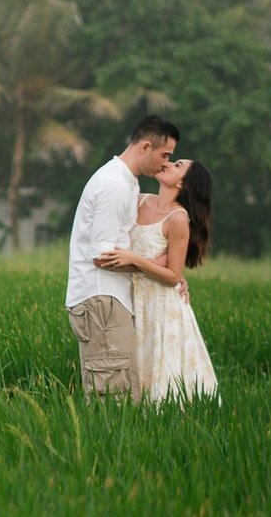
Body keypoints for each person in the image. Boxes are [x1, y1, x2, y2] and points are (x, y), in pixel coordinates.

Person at [64, 114, 178, 398]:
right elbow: (103, 257)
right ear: (145, 147)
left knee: (124, 392)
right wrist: (157, 267)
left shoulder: (128, 182)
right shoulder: (114, 184)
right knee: (114, 398)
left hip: (110, 298)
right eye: (165, 155)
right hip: (101, 299)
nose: (166, 163)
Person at [95, 158, 219, 404]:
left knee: (160, 365)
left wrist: (136, 259)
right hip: (131, 295)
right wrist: (153, 261)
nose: (169, 163)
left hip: (160, 303)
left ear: (183, 184)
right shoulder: (139, 200)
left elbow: (173, 277)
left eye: (177, 165)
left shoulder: (177, 219)